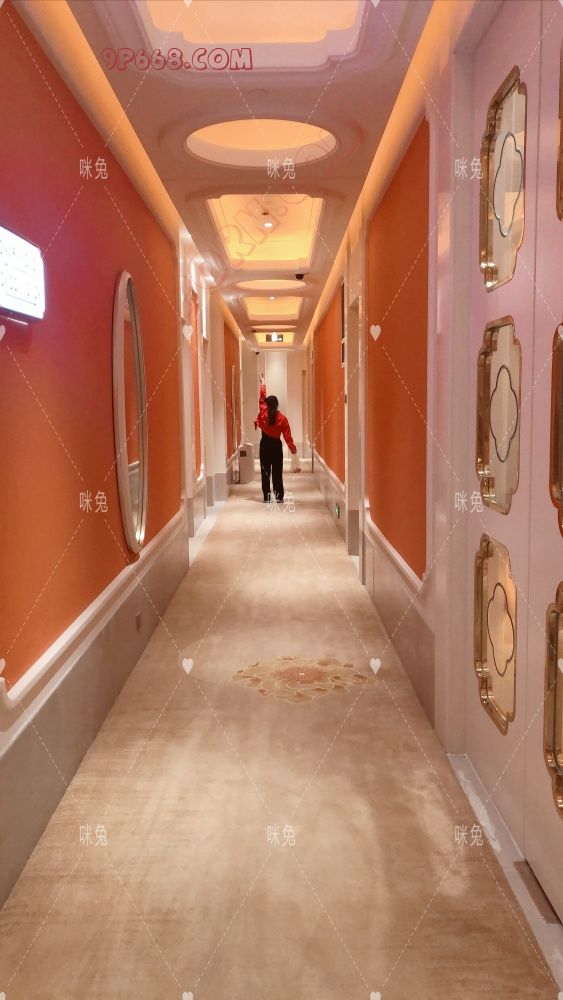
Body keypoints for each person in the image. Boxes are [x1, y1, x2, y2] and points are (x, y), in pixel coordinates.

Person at [254, 375, 297, 502]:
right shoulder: (282, 419)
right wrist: (293, 449)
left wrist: (263, 383)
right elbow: (287, 436)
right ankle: (279, 496)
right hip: (276, 446)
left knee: (265, 472)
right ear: (277, 405)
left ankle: (267, 497)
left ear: (266, 405)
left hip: (265, 445)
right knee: (277, 472)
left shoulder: (263, 413)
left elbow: (262, 398)